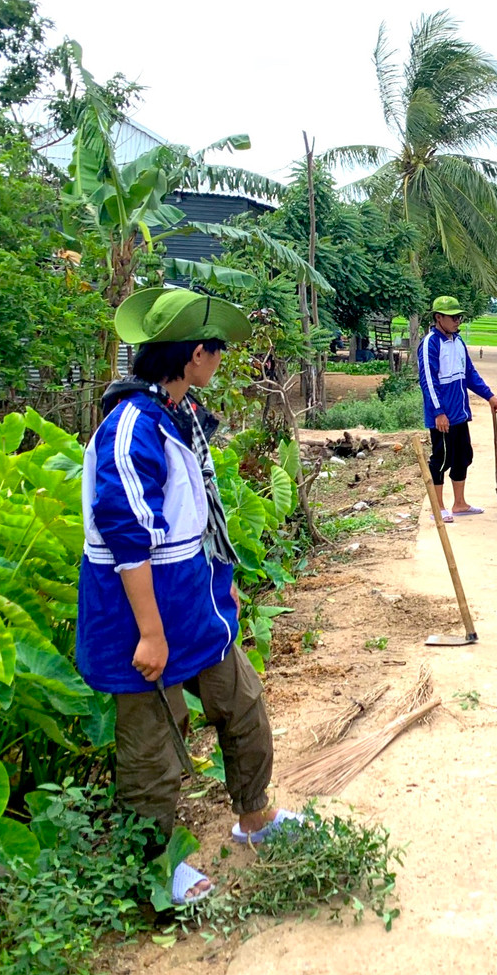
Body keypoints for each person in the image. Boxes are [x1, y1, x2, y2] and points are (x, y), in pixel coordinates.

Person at [77, 287, 298, 906]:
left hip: (195, 608)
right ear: (195, 354)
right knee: (153, 748)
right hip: (142, 620)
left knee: (243, 703)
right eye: (218, 351)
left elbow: (191, 515)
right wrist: (149, 632)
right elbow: (127, 536)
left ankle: (255, 820)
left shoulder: (178, 414)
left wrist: (217, 578)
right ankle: (153, 876)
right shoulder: (130, 430)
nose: (221, 360)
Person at [416, 296, 497, 522]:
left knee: (463, 456)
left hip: (460, 413)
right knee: (441, 459)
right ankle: (439, 507)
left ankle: (460, 503)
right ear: (438, 318)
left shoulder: (458, 342)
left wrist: (489, 395)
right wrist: (438, 412)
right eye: (453, 317)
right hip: (442, 416)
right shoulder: (429, 344)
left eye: (459, 317)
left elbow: (470, 374)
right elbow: (428, 382)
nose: (457, 321)